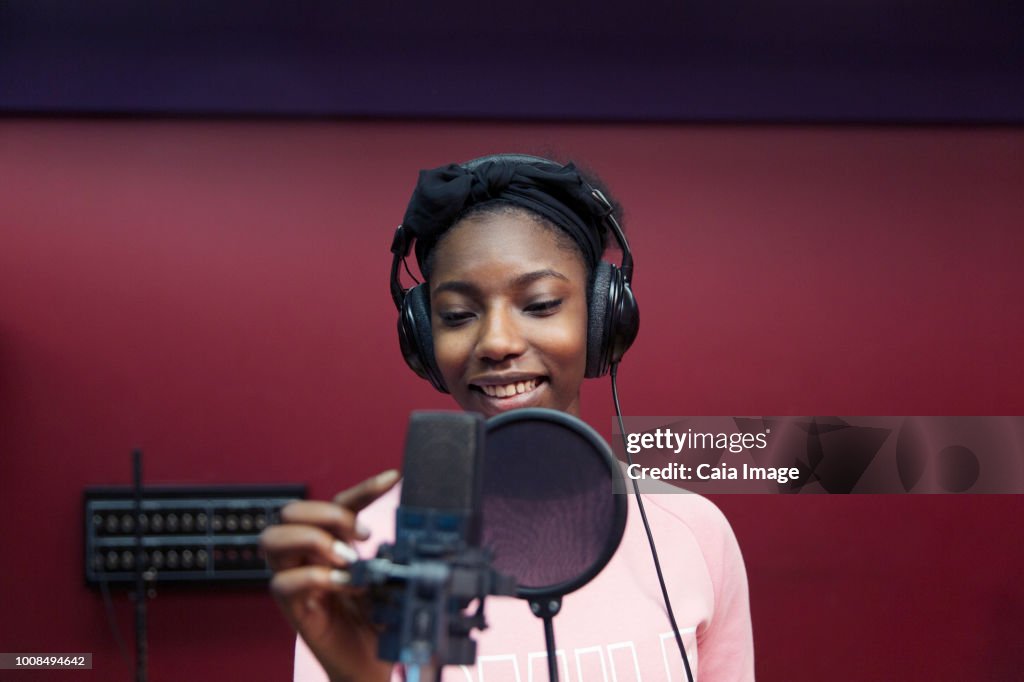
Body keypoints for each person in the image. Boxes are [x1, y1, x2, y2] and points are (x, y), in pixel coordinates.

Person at [260, 154, 754, 681]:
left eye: (540, 304)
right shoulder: (368, 557)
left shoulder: (692, 534)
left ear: (601, 317)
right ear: (424, 337)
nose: (496, 342)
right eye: (457, 315)